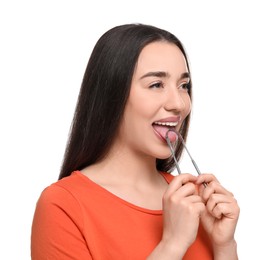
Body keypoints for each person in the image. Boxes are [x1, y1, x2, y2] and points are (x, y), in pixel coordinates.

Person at [31, 23, 240, 259]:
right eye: (156, 85)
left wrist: (225, 245)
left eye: (183, 86)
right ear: (112, 95)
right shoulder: (63, 205)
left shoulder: (197, 201)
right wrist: (172, 245)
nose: (179, 104)